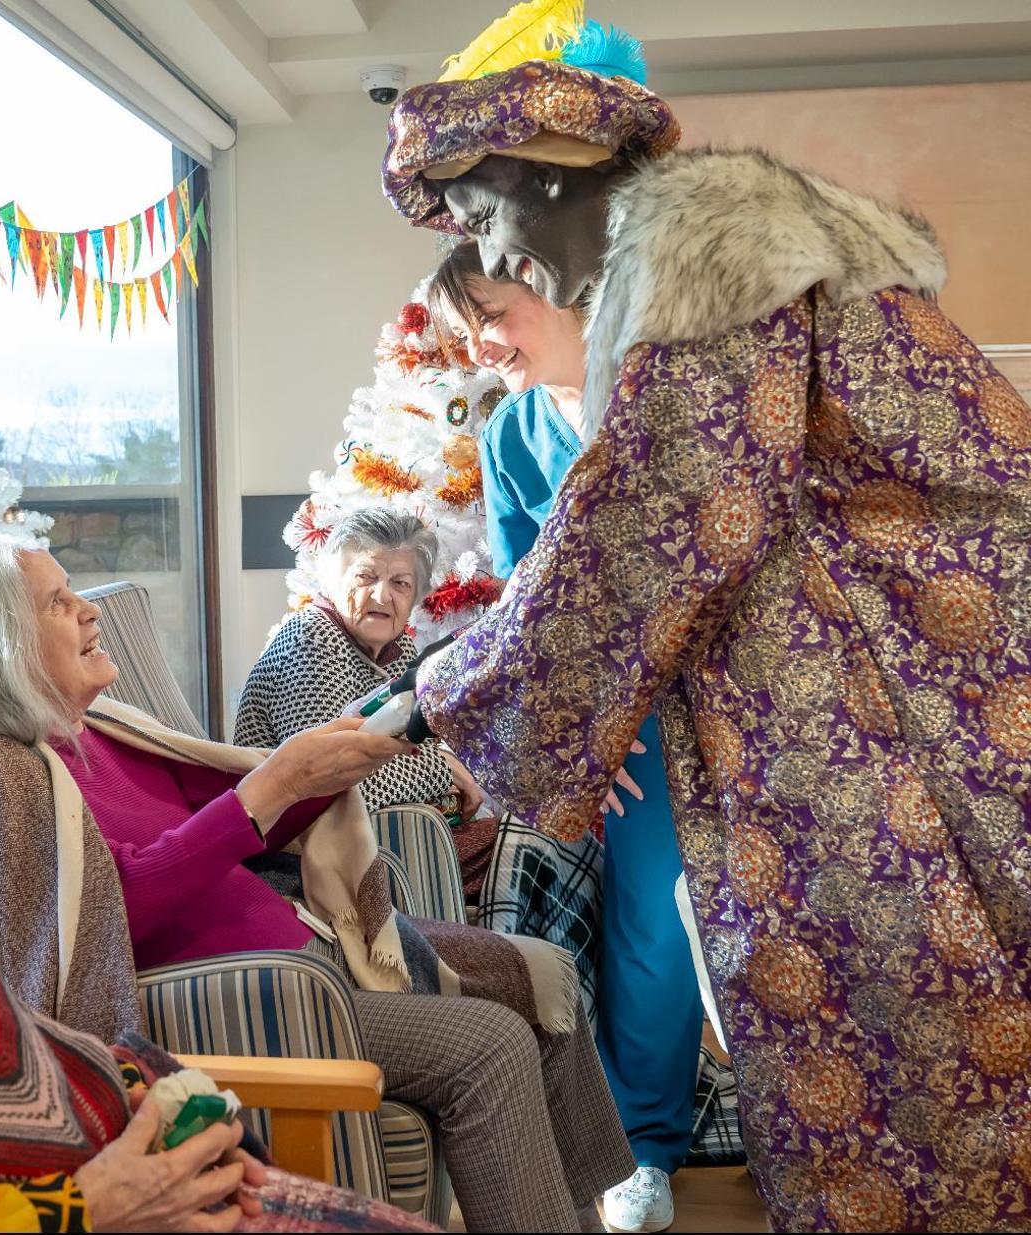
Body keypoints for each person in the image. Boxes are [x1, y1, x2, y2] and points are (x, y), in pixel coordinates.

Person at [381, 10, 1031, 1233]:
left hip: (926, 680)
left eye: (484, 220)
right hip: (878, 678)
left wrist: (443, 692)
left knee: (924, 1016)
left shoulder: (701, 268)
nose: (496, 263)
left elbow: (659, 522)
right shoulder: (686, 270)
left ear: (551, 172)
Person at [0, 534, 637, 1233]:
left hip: (304, 951)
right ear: (1, 642)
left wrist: (325, 769)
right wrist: (272, 784)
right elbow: (106, 913)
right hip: (262, 992)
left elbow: (234, 831)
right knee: (491, 1044)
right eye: (58, 602)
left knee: (543, 973)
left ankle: (573, 1213)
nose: (87, 610)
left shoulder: (89, 734)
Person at [428, 239, 703, 1230]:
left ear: (550, 286)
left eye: (489, 311)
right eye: (463, 324)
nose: (476, 340)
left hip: (728, 692)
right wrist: (586, 729)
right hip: (619, 728)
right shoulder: (509, 438)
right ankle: (646, 1146)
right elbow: (524, 607)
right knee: (653, 930)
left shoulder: (663, 390)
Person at [0, 823, 437, 1234]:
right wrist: (83, 1210)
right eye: (53, 618)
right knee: (486, 1042)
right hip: (67, 1202)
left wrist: (122, 1082)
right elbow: (97, 918)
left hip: (119, 1141)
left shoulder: (107, 735)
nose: (96, 622)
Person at [235, 509, 496, 899]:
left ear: (416, 596)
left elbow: (408, 751)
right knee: (519, 847)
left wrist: (438, 766)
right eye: (365, 577)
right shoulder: (310, 638)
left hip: (383, 836)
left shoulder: (397, 646)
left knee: (532, 845)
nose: (381, 595)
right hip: (302, 855)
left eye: (400, 583)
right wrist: (444, 770)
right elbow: (336, 783)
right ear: (332, 580)